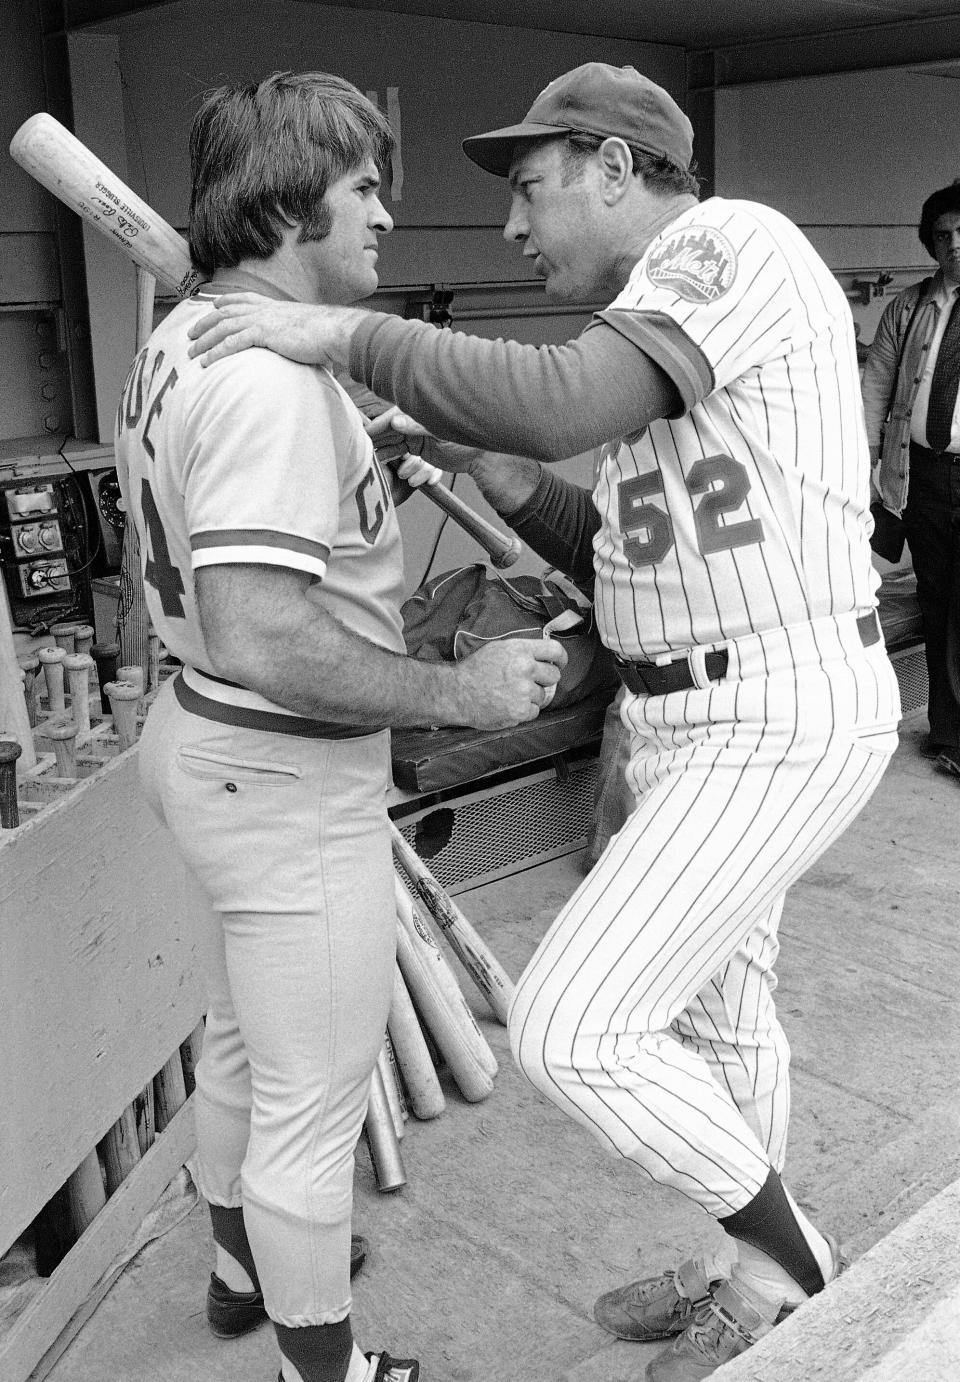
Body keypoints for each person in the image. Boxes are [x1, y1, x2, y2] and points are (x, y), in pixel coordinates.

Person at [186, 62, 902, 1380]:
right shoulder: (648, 329)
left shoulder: (727, 244)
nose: (513, 226)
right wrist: (495, 472)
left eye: (530, 187)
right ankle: (747, 1279)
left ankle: (796, 1264)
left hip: (781, 706)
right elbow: (613, 550)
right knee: (726, 1025)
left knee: (574, 1021)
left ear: (616, 167)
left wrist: (343, 335)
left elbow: (559, 397)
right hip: (695, 709)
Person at [114, 71, 566, 1382]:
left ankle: (241, 1270)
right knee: (312, 1106)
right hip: (283, 772)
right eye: (365, 189)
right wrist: (458, 692)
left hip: (206, 748)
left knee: (245, 1043)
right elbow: (264, 628)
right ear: (296, 204)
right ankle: (334, 1372)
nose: (383, 216)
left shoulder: (192, 333)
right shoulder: (265, 384)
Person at [861, 179, 960, 781]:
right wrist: (868, 464)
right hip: (921, 477)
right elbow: (877, 386)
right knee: (939, 600)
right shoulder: (909, 306)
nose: (954, 245)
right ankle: (949, 735)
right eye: (943, 235)